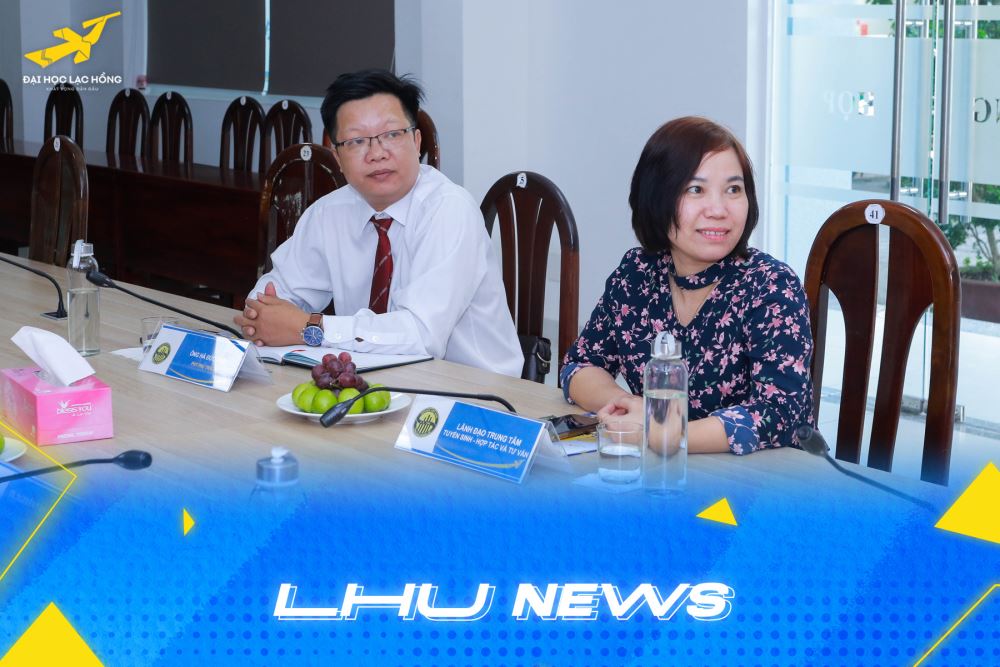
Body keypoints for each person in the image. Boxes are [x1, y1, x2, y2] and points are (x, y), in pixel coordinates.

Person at [235, 69, 523, 377]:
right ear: (337, 156)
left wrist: (311, 328)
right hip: (372, 383)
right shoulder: (328, 213)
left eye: (391, 135)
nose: (376, 153)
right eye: (357, 141)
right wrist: (264, 318)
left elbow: (422, 336)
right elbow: (267, 300)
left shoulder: (450, 210)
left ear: (416, 141)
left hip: (472, 394)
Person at [561, 116, 814, 455]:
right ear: (656, 197)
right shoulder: (637, 273)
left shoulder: (770, 286)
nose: (718, 209)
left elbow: (780, 414)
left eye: (733, 189)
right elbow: (579, 366)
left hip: (758, 478)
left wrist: (663, 432)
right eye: (696, 189)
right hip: (661, 472)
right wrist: (630, 407)